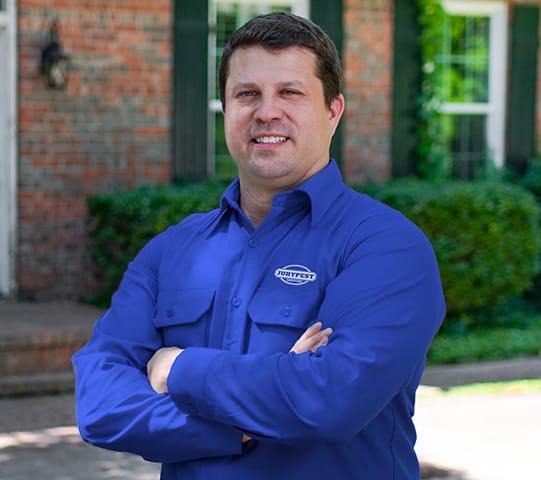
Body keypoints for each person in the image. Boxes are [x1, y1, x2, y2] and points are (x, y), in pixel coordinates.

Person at [73, 11, 446, 479]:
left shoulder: (385, 248)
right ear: (226, 109)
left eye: (291, 92)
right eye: (247, 94)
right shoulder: (172, 251)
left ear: (333, 111)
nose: (267, 111)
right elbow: (99, 405)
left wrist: (177, 368)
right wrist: (244, 422)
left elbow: (329, 401)